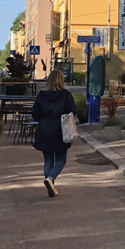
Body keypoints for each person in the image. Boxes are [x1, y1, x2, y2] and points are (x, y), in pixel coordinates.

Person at [31, 69, 77, 197]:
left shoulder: (41, 95)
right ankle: (50, 179)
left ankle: (50, 185)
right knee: (61, 159)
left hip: (45, 129)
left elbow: (35, 114)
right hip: (60, 130)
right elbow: (72, 111)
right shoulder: (66, 95)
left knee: (48, 160)